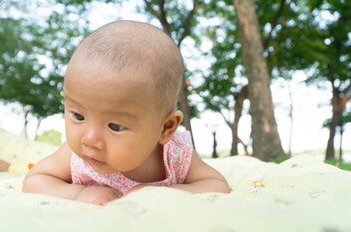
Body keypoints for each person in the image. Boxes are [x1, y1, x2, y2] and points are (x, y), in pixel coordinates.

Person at [22, 20, 230, 205]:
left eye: (115, 126)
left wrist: (167, 193)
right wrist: (78, 194)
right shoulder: (75, 157)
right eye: (78, 116)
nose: (90, 139)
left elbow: (217, 184)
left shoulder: (176, 155)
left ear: (166, 127)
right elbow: (34, 181)